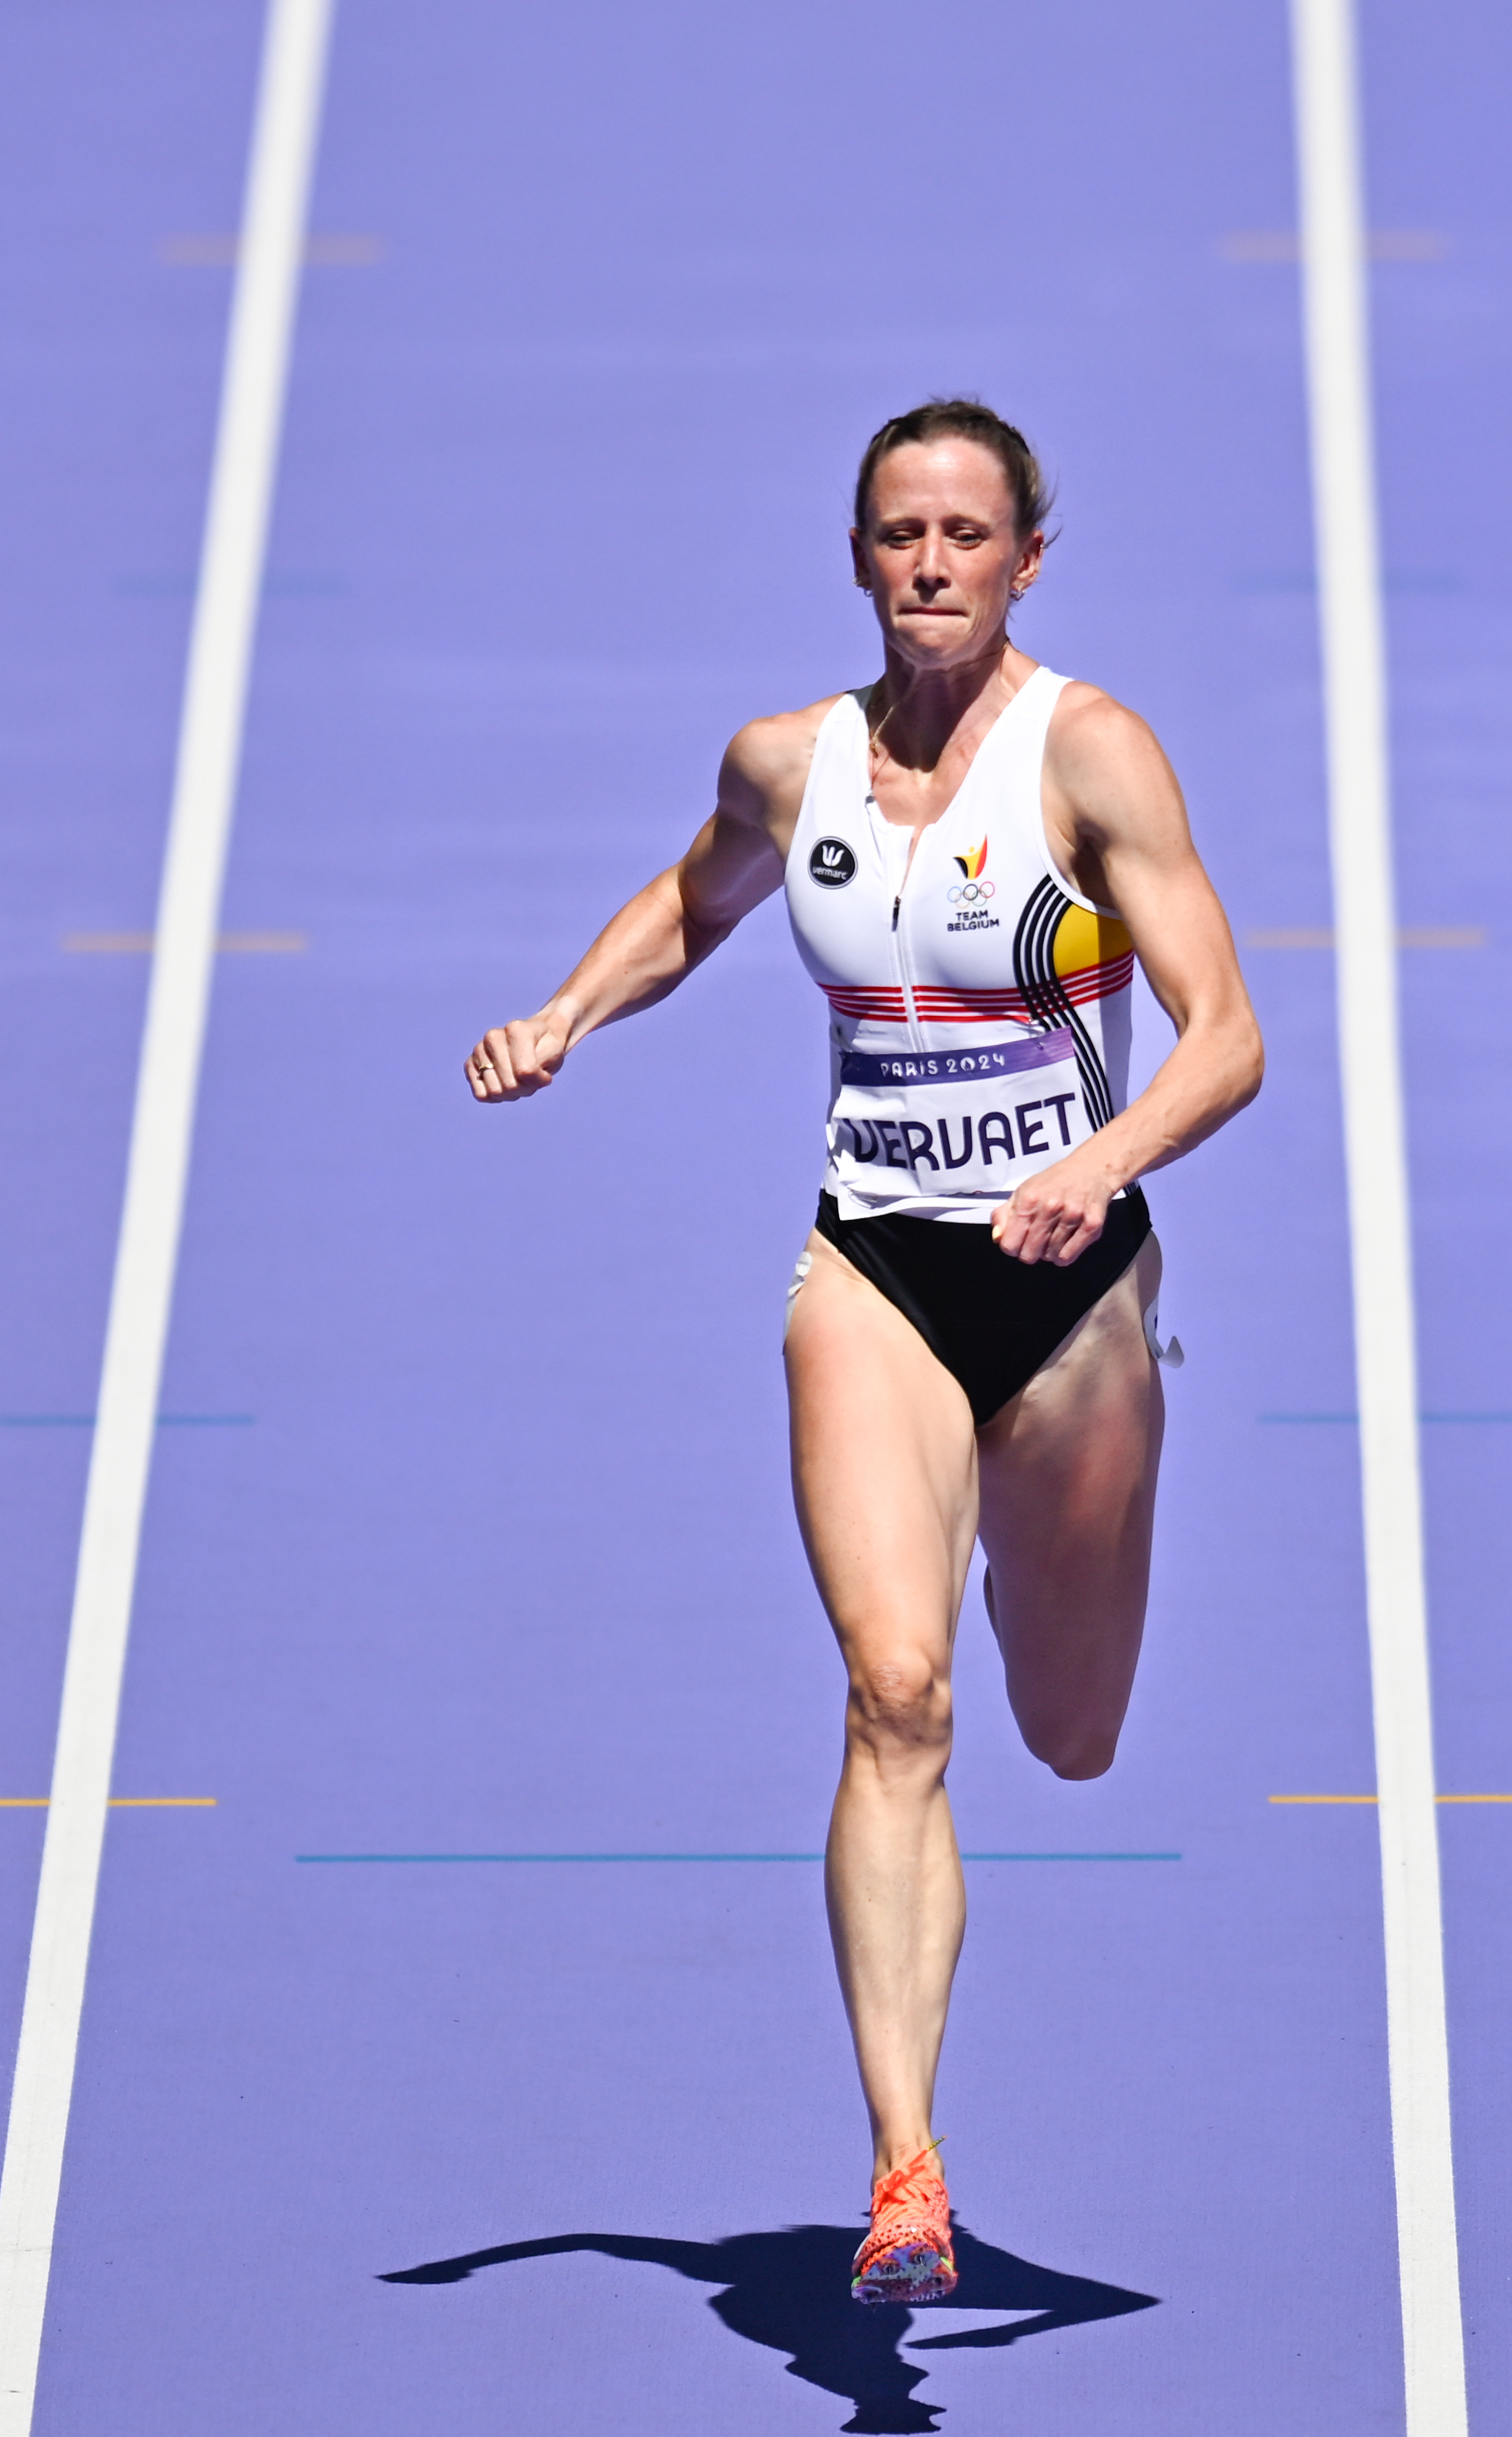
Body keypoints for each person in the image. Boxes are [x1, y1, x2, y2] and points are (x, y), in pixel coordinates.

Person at [467, 400, 1262, 2297]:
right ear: (857, 557)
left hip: (1069, 1296)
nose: (930, 564)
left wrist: (1111, 1158)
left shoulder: (1091, 755)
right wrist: (573, 1008)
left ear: (1024, 563)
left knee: (1070, 1737)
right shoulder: (785, 763)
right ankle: (907, 2165)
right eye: (899, 534)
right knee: (896, 1693)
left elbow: (1224, 1033)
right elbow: (695, 899)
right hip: (877, 1269)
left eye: (966, 536)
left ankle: (1041, 1556)